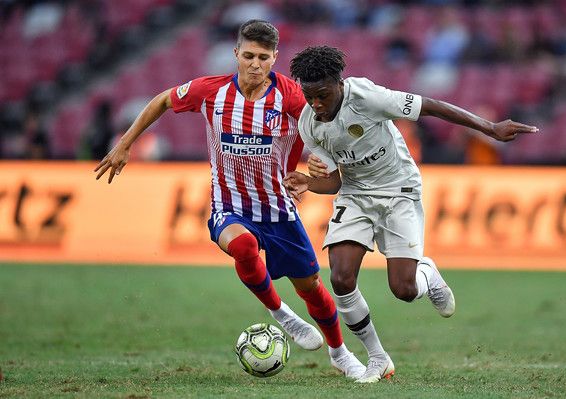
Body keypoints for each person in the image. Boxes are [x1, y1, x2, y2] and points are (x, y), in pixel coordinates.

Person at [94, 21, 365, 379]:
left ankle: (340, 353)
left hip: (279, 209)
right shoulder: (211, 91)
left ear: (274, 59)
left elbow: (323, 126)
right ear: (236, 54)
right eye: (249, 55)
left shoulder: (289, 96)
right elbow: (162, 100)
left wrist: (320, 161)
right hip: (229, 206)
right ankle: (281, 313)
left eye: (263, 57)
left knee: (312, 289)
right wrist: (125, 144)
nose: (255, 63)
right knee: (244, 246)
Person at [284, 45, 539, 383]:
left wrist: (489, 127)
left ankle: (427, 274)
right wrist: (308, 181)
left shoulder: (368, 96)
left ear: (338, 84)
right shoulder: (309, 124)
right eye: (309, 96)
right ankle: (377, 358)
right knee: (341, 278)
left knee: (403, 290)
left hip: (399, 188)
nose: (316, 104)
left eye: (322, 95)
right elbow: (333, 182)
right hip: (356, 193)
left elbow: (428, 107)